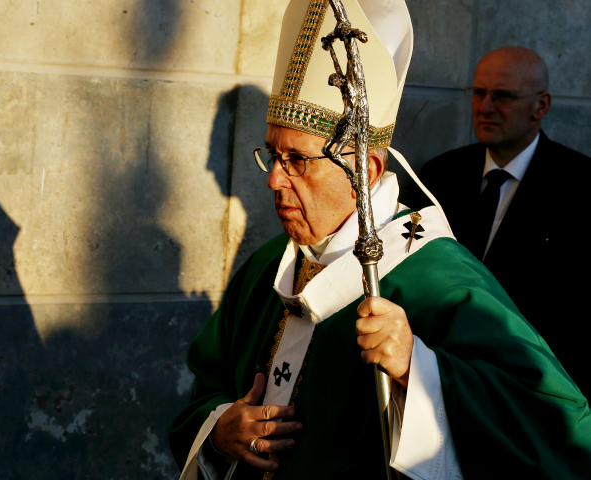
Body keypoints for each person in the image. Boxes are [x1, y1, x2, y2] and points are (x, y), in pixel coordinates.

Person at [170, 1, 591, 479]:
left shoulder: (437, 277)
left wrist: (421, 368)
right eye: (273, 155)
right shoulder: (267, 267)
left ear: (365, 171)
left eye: (298, 160)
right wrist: (221, 428)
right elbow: (207, 384)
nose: (274, 181)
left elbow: (560, 427)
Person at [416, 46, 590, 395]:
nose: (485, 107)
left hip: (532, 390)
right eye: (479, 92)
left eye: (504, 96)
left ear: (541, 106)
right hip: (436, 378)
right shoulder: (439, 175)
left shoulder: (581, 187)